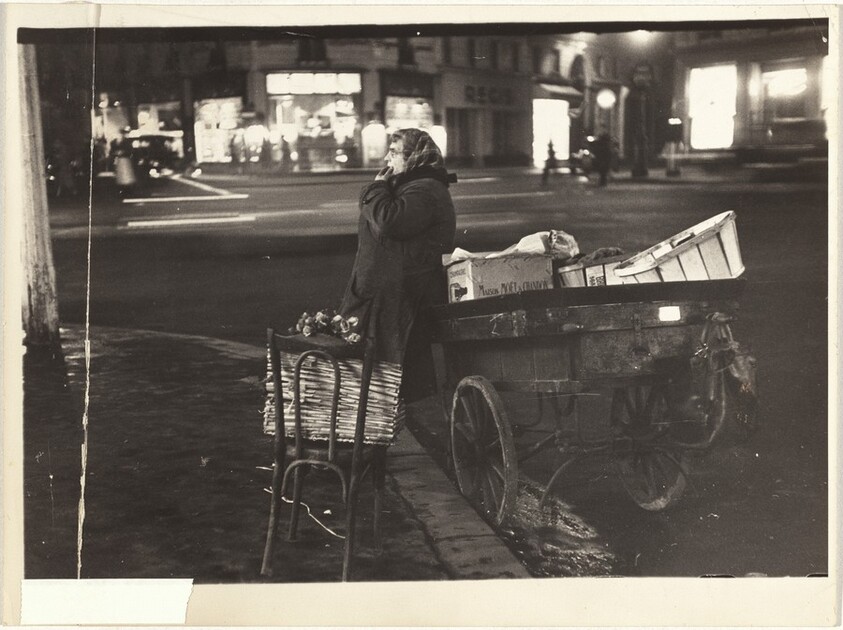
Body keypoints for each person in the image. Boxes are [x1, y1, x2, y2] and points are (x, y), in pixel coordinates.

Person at [339, 128, 457, 402]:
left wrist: (376, 187)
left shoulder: (424, 190)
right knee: (384, 371)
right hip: (390, 294)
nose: (387, 158)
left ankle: (402, 428)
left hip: (402, 296)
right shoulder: (414, 185)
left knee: (395, 374)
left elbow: (390, 221)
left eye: (394, 153)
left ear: (414, 157)